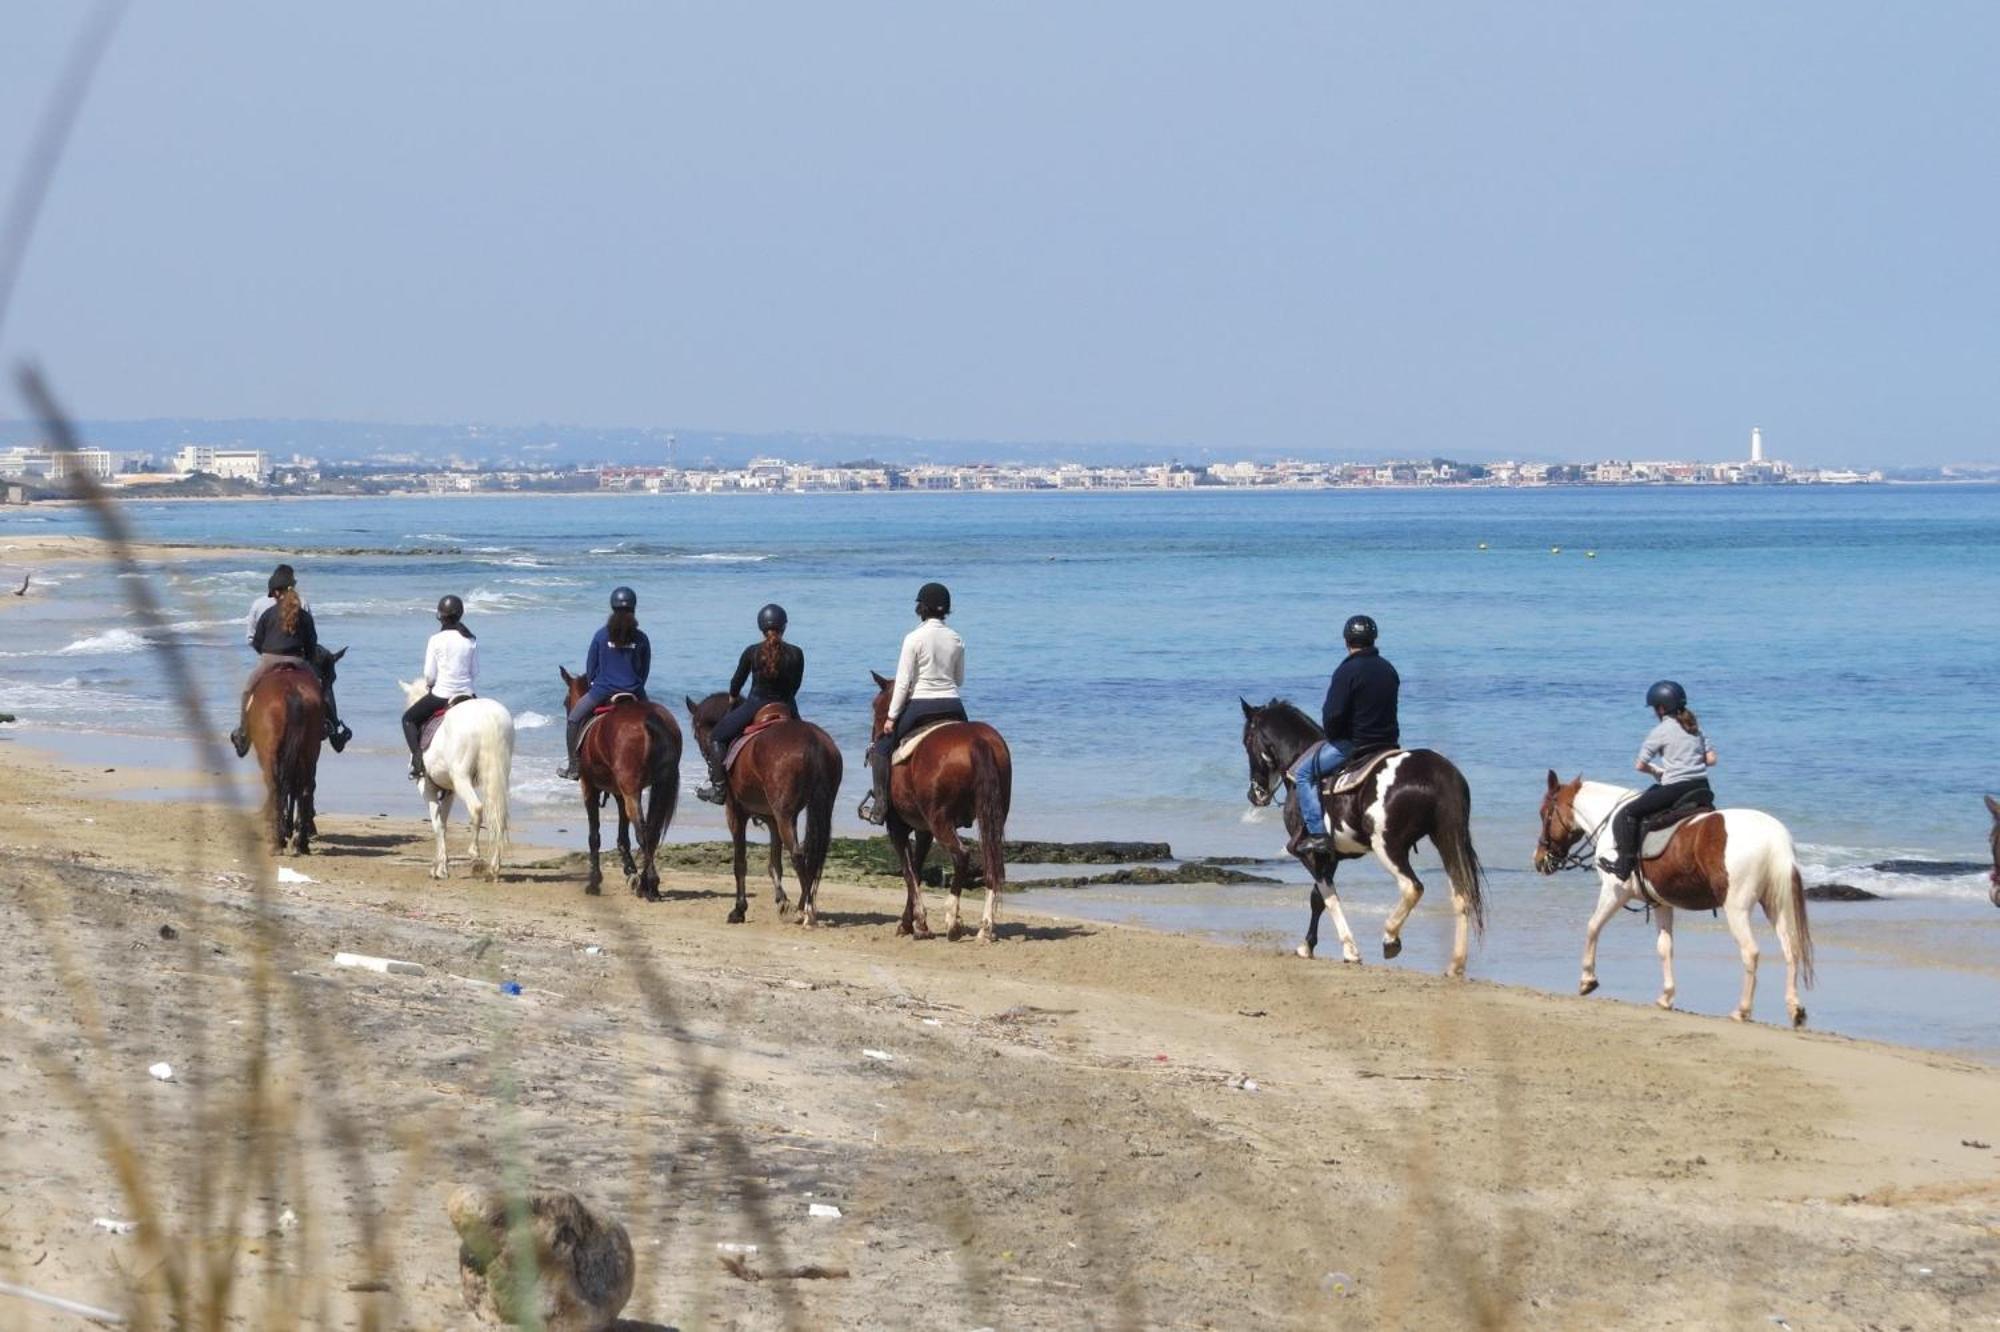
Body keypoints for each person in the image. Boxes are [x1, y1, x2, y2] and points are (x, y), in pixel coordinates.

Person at [1291, 614, 1400, 855]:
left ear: (1346, 641)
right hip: (1389, 744)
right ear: (1373, 639)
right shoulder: (1388, 669)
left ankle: (1318, 835)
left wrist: (1333, 735)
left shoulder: (1347, 671)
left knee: (1304, 774)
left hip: (1356, 745)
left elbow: (1333, 715)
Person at [858, 581, 966, 825]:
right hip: (954, 705)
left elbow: (904, 683)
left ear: (922, 609)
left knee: (881, 749)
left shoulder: (914, 638)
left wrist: (891, 718)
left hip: (922, 706)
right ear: (946, 610)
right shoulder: (957, 639)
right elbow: (959, 680)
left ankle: (881, 807)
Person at [1599, 680, 1718, 881]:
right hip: (1702, 787)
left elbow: (1640, 765)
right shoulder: (1695, 728)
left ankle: (1624, 865)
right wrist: (1690, 762)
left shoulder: (1660, 731)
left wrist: (1656, 771)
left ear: (1661, 708)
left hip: (1676, 788)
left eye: (1655, 708)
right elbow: (1712, 760)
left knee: (1628, 813)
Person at [230, 566, 350, 756]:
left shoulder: (262, 608)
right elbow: (312, 642)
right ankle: (333, 728)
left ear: (275, 591)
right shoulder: (303, 606)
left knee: (247, 691)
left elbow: (254, 640)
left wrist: (267, 655)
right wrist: (305, 657)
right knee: (320, 690)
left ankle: (244, 734)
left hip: (268, 660)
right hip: (299, 660)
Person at [695, 603, 805, 804]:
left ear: (761, 627)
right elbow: (795, 685)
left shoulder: (752, 652)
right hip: (788, 706)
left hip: (756, 704)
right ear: (785, 626)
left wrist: (733, 697)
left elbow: (736, 681)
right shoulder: (797, 653)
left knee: (717, 737)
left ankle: (719, 790)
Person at [556, 586, 652, 780]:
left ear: (612, 608)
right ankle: (656, 769)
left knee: (574, 719)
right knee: (656, 722)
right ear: (633, 609)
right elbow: (644, 670)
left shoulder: (601, 635)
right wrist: (636, 686)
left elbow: (591, 668)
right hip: (635, 692)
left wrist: (594, 685)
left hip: (603, 691)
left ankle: (574, 767)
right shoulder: (641, 638)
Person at [401, 595, 478, 780]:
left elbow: (429, 675)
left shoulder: (436, 639)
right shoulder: (470, 639)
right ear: (460, 615)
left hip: (442, 695)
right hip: (468, 695)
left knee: (408, 720)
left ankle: (418, 763)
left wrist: (429, 685)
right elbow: (475, 672)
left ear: (440, 616)